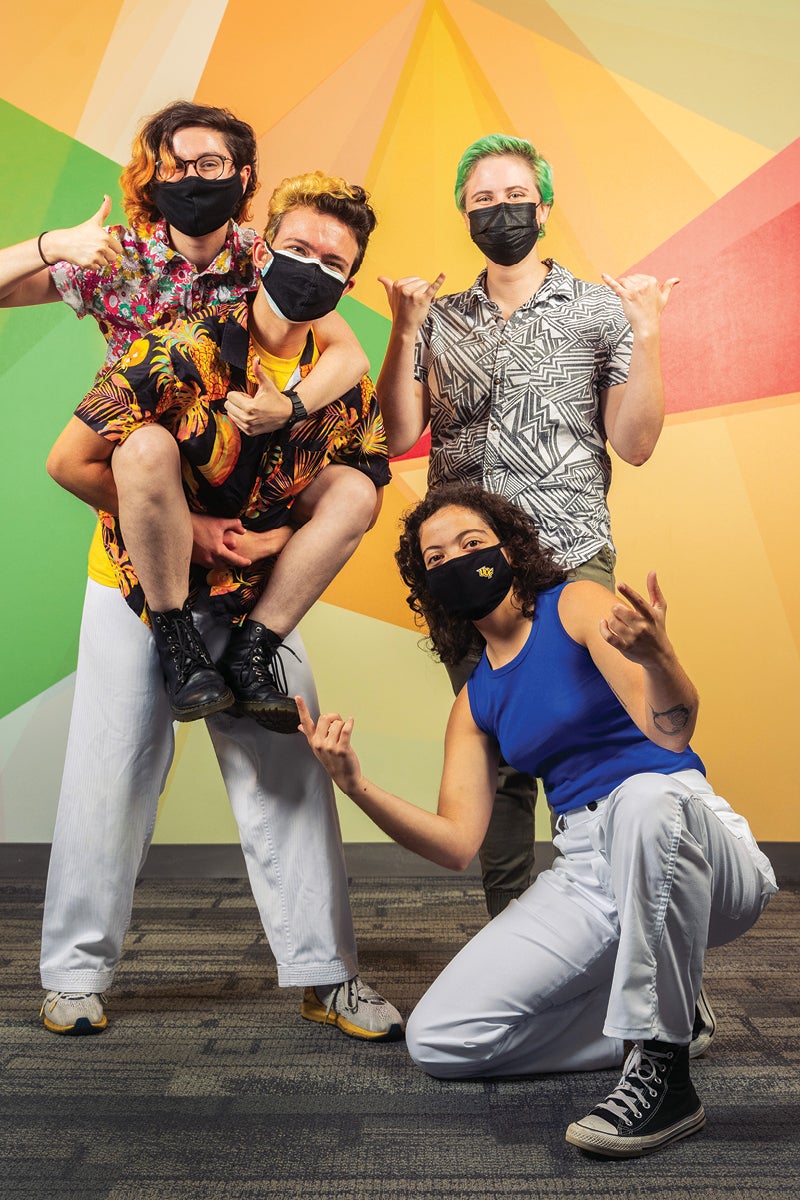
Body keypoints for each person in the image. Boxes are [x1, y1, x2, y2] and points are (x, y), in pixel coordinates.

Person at [1, 99, 401, 1039]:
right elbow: (75, 456)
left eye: (218, 162)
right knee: (110, 770)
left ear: (247, 184)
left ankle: (324, 970)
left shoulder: (275, 267)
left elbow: (344, 345)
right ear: (155, 171)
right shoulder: (121, 267)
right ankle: (73, 973)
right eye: (182, 162)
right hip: (145, 553)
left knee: (287, 767)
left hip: (253, 551)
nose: (199, 176)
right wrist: (58, 240)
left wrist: (283, 441)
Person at [298, 483, 777, 1158]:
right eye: (437, 558)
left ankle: (664, 1075)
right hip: (586, 863)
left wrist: (660, 657)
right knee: (441, 1038)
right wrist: (354, 784)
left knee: (641, 799)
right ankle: (668, 1021)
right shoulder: (476, 700)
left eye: (471, 544)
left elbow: (670, 736)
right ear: (430, 587)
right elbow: (456, 843)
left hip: (687, 834)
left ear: (510, 550)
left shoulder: (576, 605)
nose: (457, 561)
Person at [376, 134, 678, 918]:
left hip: (570, 552)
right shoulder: (441, 317)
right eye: (481, 200)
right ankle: (516, 937)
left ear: (543, 206)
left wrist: (647, 333)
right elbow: (401, 432)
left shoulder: (598, 310)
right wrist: (405, 330)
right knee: (498, 752)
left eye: (513, 196)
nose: (499, 210)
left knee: (599, 741)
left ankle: (630, 924)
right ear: (464, 215)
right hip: (465, 563)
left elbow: (637, 444)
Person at [49, 170, 389, 735]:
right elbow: (67, 461)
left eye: (332, 264)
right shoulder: (180, 350)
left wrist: (277, 538)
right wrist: (190, 527)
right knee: (145, 444)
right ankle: (175, 640)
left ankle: (254, 649)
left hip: (257, 584)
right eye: (297, 250)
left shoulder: (343, 380)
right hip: (152, 569)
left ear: (348, 286)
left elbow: (363, 495)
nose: (311, 271)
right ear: (264, 255)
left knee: (357, 489)